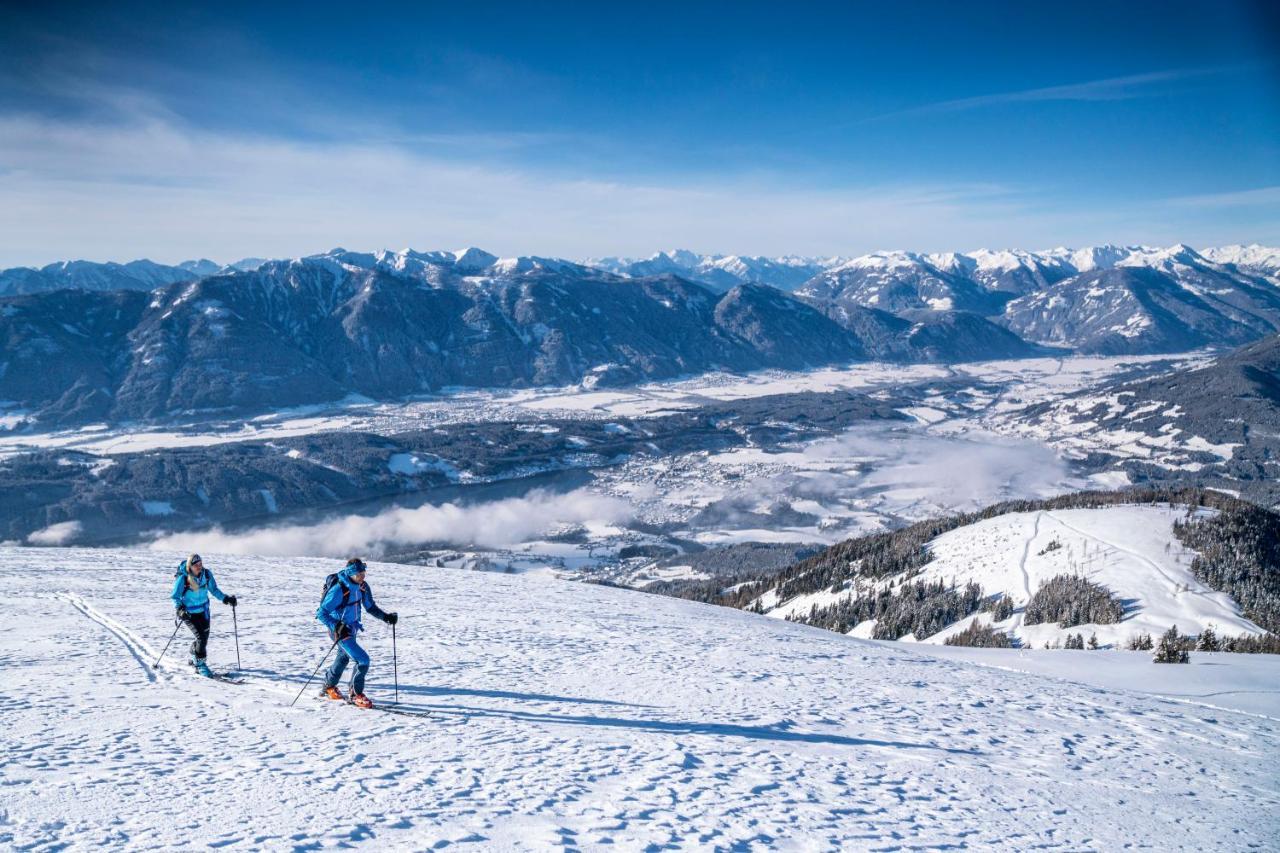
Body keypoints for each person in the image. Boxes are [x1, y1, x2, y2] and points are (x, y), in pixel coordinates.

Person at [316, 558, 398, 708]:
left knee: (343, 658)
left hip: (352, 628)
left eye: (363, 573)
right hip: (339, 631)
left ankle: (329, 687)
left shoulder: (362, 587)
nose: (362, 577)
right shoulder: (339, 589)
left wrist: (386, 617)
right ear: (351, 573)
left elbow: (370, 607)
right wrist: (336, 626)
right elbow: (321, 613)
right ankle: (356, 694)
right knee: (362, 660)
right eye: (359, 574)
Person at [171, 553, 238, 677]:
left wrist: (226, 599)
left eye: (200, 564)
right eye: (196, 565)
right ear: (190, 566)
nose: (199, 566)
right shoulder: (183, 578)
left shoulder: (206, 575)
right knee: (201, 637)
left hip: (204, 611)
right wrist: (180, 610)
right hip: (189, 613)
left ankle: (194, 653)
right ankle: (200, 665)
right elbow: (175, 597)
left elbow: (214, 590)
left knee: (204, 639)